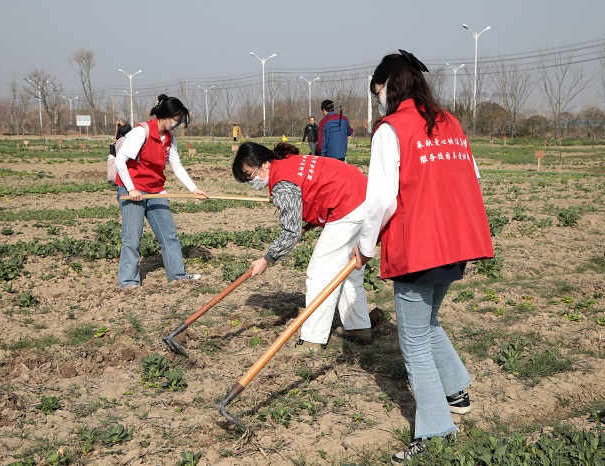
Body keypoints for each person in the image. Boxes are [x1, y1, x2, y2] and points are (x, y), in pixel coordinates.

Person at [352, 50, 494, 463]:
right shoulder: (449, 122)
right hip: (457, 242)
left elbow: (379, 200)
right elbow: (472, 176)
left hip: (420, 246)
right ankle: (457, 391)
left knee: (412, 337)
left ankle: (435, 433)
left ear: (388, 87)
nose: (377, 100)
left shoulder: (390, 129)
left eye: (377, 91)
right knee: (427, 322)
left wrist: (364, 246)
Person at [232, 141, 372, 356]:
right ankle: (358, 327)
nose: (252, 182)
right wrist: (310, 223)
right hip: (361, 194)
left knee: (320, 273)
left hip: (349, 205)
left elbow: (290, 232)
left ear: (265, 164)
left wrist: (266, 259)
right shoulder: (287, 162)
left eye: (251, 175)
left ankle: (312, 341)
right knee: (348, 271)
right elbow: (316, 189)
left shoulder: (282, 183)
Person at [113, 94, 208, 288]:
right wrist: (131, 190)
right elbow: (119, 161)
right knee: (132, 238)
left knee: (169, 234)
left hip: (155, 189)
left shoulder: (169, 139)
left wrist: (194, 189)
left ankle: (177, 276)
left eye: (179, 120)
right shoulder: (142, 132)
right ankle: (128, 282)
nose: (177, 123)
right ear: (165, 115)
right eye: (176, 119)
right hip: (132, 187)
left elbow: (177, 167)